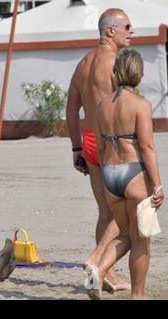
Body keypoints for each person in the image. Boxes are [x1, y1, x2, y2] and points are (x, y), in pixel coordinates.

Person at [84, 49, 164, 300]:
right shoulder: (141, 105)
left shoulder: (101, 108)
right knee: (141, 238)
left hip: (110, 174)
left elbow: (100, 146)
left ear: (116, 72)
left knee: (124, 233)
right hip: (133, 174)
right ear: (139, 74)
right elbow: (147, 147)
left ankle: (98, 267)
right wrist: (158, 185)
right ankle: (138, 294)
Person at [66, 8, 134, 292]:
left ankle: (108, 274)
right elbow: (127, 106)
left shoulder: (83, 63)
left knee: (105, 211)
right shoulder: (117, 62)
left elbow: (71, 109)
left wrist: (76, 148)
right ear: (110, 31)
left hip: (91, 141)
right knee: (126, 212)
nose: (131, 32)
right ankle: (98, 261)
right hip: (112, 140)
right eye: (127, 27)